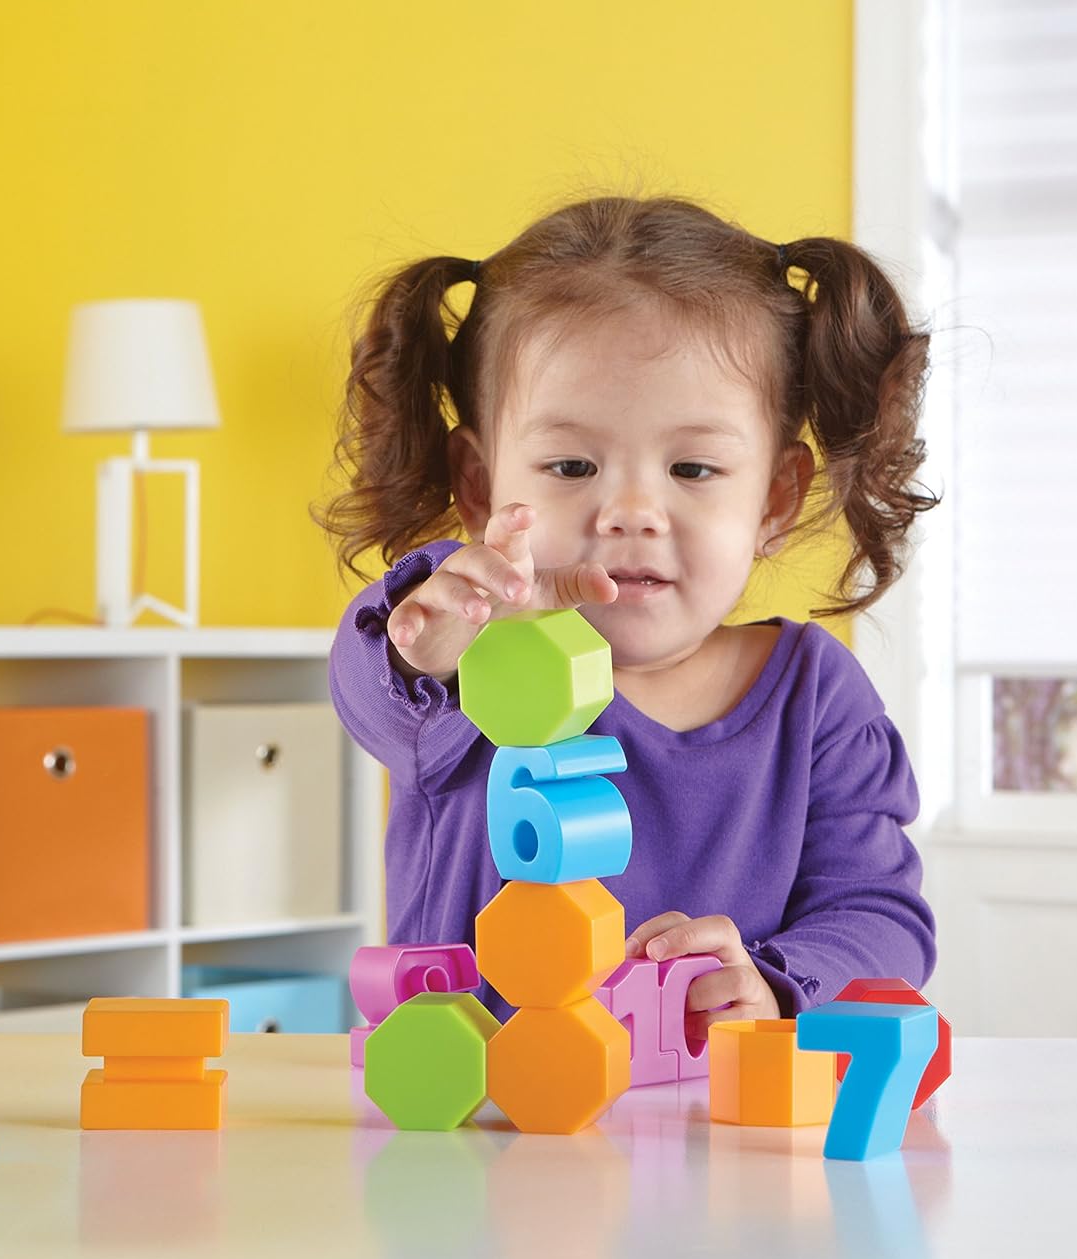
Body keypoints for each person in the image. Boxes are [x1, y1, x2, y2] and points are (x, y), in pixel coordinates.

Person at [319, 194, 940, 1032]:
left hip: (714, 1128)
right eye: (572, 463)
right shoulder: (468, 664)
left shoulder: (817, 696)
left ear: (776, 497)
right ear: (478, 486)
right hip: (480, 1129)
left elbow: (882, 920)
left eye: (694, 468)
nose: (632, 510)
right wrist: (429, 639)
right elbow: (377, 685)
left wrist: (777, 980)